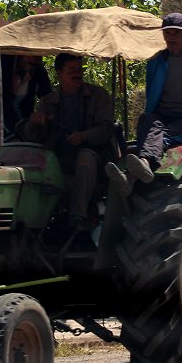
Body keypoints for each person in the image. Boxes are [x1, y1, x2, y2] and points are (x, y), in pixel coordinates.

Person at [107, 13, 182, 190]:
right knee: (147, 121)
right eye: (167, 33)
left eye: (176, 33)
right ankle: (140, 168)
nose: (171, 38)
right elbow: (152, 95)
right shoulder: (157, 60)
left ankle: (137, 169)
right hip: (162, 116)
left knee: (162, 133)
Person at [24, 53, 115, 231]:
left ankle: (77, 217)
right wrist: (35, 122)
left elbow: (107, 129)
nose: (77, 74)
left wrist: (84, 136)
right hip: (57, 159)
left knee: (85, 157)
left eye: (79, 69)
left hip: (95, 158)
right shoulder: (47, 102)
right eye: (71, 70)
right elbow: (32, 136)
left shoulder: (98, 96)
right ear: (59, 73)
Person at [0, 54, 51, 142]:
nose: (34, 59)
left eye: (38, 54)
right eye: (29, 53)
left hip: (22, 125)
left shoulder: (38, 70)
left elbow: (48, 98)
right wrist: (14, 137)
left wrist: (42, 113)